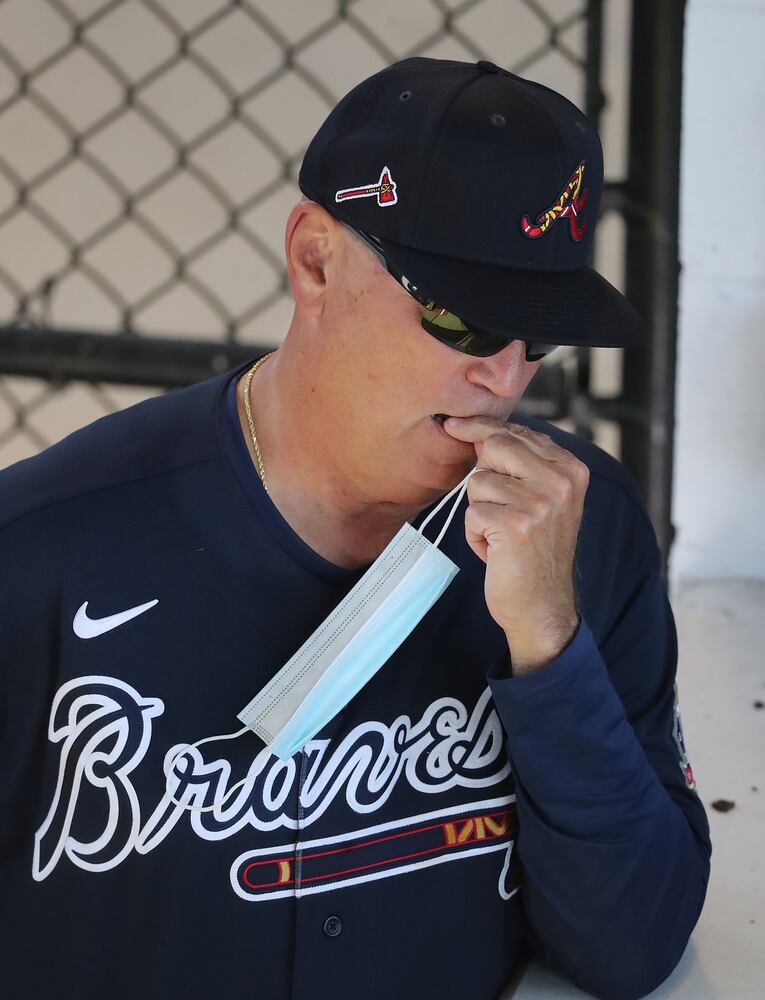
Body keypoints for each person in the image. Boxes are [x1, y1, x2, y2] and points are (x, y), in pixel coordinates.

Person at [0, 57, 710, 1000]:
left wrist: (550, 645)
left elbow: (633, 945)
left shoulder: (579, 528)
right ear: (315, 260)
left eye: (538, 336)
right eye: (458, 321)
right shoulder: (38, 551)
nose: (504, 377)